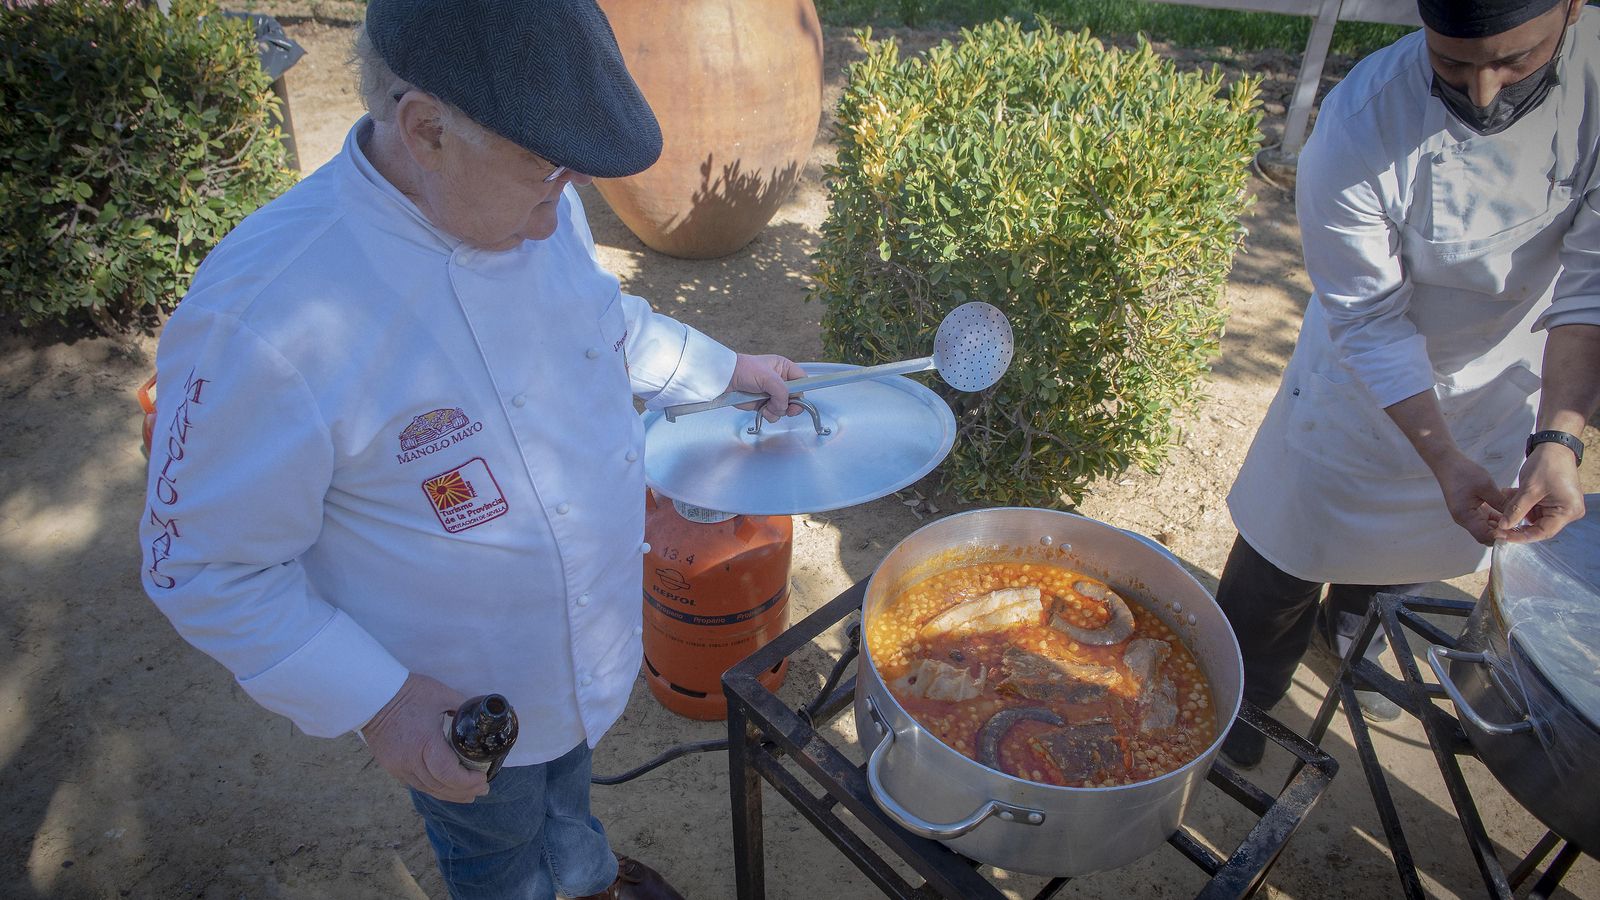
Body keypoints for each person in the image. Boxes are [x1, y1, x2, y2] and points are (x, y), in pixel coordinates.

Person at [136, 2, 805, 897]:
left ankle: (586, 874)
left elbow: (601, 322)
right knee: (497, 851)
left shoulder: (530, 198)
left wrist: (727, 369)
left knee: (568, 791)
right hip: (457, 700)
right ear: (426, 130)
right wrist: (381, 701)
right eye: (544, 172)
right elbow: (201, 566)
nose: (558, 209)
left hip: (577, 648)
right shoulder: (266, 321)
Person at [1217, 0, 1600, 768]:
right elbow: (1368, 320)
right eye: (1453, 65)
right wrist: (1441, 457)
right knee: (1290, 545)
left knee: (1426, 543)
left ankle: (1352, 633)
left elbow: (1591, 290)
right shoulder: (1363, 116)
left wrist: (1559, 438)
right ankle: (1241, 703)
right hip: (1362, 385)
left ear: (1572, 7)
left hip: (1502, 376)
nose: (1482, 94)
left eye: (1514, 62)